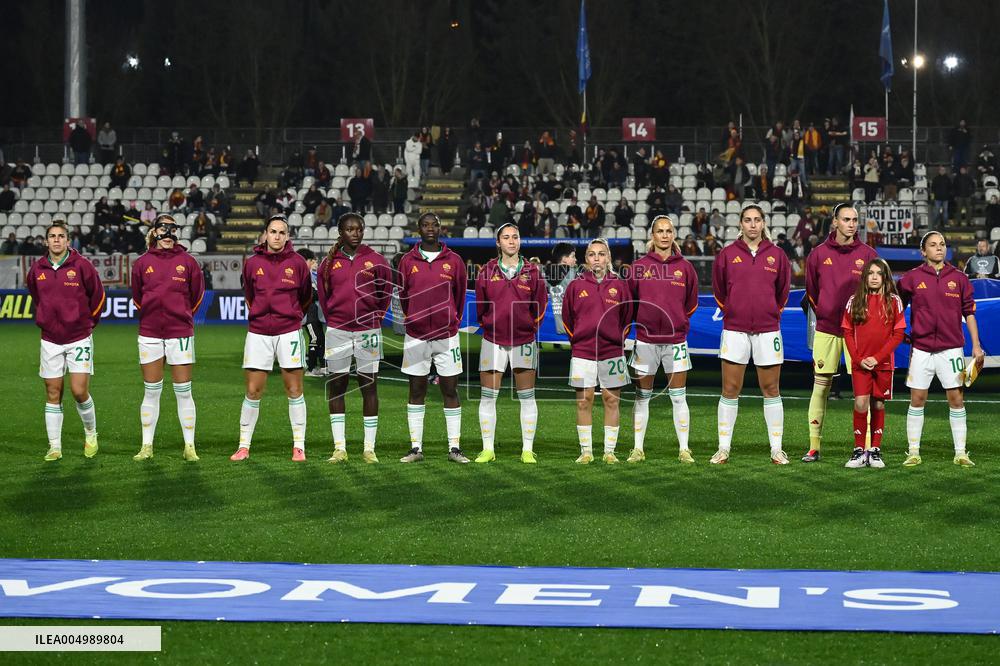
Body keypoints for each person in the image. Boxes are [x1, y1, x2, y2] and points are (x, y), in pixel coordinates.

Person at [710, 204, 792, 464]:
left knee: (771, 388)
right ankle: (723, 448)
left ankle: (776, 449)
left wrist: (769, 312)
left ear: (764, 223)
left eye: (757, 220)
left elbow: (783, 292)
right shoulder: (726, 254)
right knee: (730, 388)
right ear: (741, 224)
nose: (753, 225)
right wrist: (734, 311)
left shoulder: (777, 255)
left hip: (768, 330)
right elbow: (719, 290)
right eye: (748, 220)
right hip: (734, 329)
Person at [897, 231, 984, 466]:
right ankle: (913, 452)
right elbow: (896, 307)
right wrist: (900, 334)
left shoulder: (959, 278)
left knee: (956, 399)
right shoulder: (911, 278)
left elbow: (970, 313)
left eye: (942, 244)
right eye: (933, 245)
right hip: (921, 349)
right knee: (917, 398)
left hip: (952, 349)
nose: (939, 248)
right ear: (923, 251)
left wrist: (976, 346)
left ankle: (960, 453)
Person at [231, 215, 313, 462]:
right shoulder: (252, 263)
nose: (277, 236)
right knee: (253, 390)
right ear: (265, 234)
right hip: (258, 332)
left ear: (288, 236)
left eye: (282, 232)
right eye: (273, 232)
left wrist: (291, 315)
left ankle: (299, 446)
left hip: (288, 331)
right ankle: (243, 446)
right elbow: (249, 294)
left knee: (294, 389)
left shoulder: (298, 263)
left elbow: (306, 296)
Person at [800, 204, 878, 462]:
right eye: (846, 219)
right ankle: (814, 446)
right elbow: (811, 291)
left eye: (855, 220)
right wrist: (825, 311)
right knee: (820, 387)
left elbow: (875, 292)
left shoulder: (868, 254)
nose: (852, 224)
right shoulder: (818, 254)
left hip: (857, 332)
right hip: (827, 330)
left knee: (862, 392)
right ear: (835, 222)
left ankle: (865, 448)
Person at [26, 221, 105, 461]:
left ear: (68, 241)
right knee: (53, 392)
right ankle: (54, 446)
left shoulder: (82, 266)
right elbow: (36, 297)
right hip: (50, 339)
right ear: (46, 241)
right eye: (52, 236)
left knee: (79, 391)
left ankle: (91, 433)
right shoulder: (37, 269)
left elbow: (98, 296)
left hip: (79, 337)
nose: (57, 240)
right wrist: (47, 320)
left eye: (61, 236)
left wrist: (88, 324)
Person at [129, 215, 205, 462]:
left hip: (180, 332)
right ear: (154, 232)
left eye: (173, 228)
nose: (168, 233)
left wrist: (179, 316)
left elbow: (197, 296)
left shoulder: (189, 262)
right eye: (164, 228)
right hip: (150, 333)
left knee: (184, 392)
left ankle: (189, 446)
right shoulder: (142, 263)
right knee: (151, 391)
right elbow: (138, 297)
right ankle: (146, 446)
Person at [317, 213, 392, 463]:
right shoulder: (328, 264)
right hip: (337, 330)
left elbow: (385, 294)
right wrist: (336, 320)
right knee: (337, 387)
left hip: (368, 331)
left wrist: (375, 319)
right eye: (350, 229)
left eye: (359, 229)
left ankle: (369, 449)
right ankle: (340, 448)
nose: (356, 233)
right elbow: (324, 299)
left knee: (368, 386)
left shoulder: (377, 260)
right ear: (340, 231)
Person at [395, 213, 469, 463]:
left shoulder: (455, 261)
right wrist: (414, 318)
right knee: (416, 389)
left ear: (441, 228)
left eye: (434, 224)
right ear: (419, 229)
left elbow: (459, 296)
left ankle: (454, 448)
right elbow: (404, 296)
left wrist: (451, 319)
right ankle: (416, 448)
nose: (430, 228)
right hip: (416, 335)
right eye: (425, 225)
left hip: (447, 335)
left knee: (450, 389)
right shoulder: (407, 261)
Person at [474, 222, 548, 464]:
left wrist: (528, 325)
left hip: (523, 340)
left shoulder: (533, 271)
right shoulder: (486, 271)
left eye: (515, 237)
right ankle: (488, 449)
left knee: (527, 396)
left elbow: (541, 304)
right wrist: (490, 324)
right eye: (506, 237)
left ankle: (527, 449)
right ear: (498, 243)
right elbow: (481, 308)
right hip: (493, 340)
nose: (511, 241)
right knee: (488, 397)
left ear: (520, 241)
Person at [627, 216, 699, 463]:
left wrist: (677, 322)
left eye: (669, 231)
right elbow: (630, 302)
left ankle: (684, 449)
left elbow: (690, 303)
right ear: (653, 235)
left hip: (676, 340)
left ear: (674, 234)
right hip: (645, 340)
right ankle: (637, 449)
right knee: (642, 395)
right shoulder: (638, 267)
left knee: (679, 396)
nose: (665, 235)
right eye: (660, 231)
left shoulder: (686, 268)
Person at [561, 238, 634, 464]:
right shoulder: (575, 285)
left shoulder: (620, 285)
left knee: (612, 401)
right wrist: (580, 340)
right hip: (583, 352)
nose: (597, 259)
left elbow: (628, 318)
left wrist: (615, 340)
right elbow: (567, 319)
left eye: (601, 254)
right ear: (586, 259)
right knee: (584, 401)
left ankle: (609, 451)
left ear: (608, 258)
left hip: (612, 353)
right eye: (592, 254)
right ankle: (586, 451)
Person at [841, 259, 906, 469]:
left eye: (879, 273)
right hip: (861, 363)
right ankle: (859, 450)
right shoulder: (854, 300)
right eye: (871, 273)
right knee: (860, 403)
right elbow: (848, 332)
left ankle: (875, 450)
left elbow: (898, 334)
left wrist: (877, 358)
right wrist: (858, 359)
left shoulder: (894, 301)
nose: (875, 277)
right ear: (865, 277)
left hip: (883, 363)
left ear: (885, 277)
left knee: (878, 403)